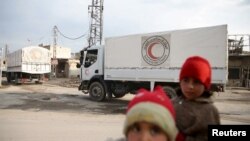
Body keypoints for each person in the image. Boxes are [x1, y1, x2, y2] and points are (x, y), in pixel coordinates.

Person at [172, 56, 220, 141]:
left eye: (196, 82)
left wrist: (183, 139)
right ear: (180, 81)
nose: (190, 86)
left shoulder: (209, 111)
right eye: (186, 80)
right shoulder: (172, 104)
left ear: (205, 86)